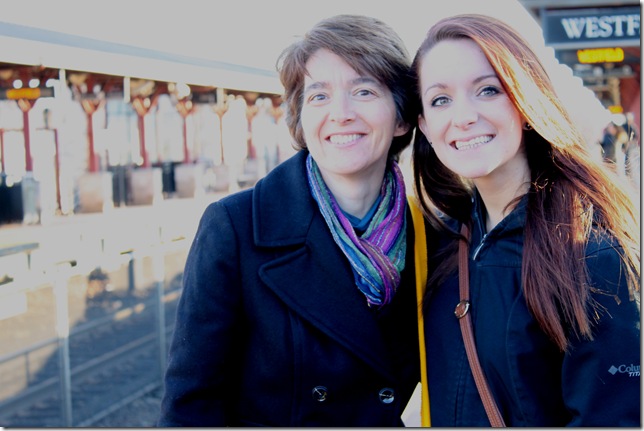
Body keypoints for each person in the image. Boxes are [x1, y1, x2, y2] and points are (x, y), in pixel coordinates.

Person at [157, 14, 422, 427]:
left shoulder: (429, 237)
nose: (340, 113)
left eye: (364, 91)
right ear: (300, 119)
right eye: (319, 96)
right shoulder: (236, 228)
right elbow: (191, 405)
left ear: (402, 118)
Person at [410, 14, 640, 427]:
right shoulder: (438, 246)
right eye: (440, 99)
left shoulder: (593, 255)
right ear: (424, 125)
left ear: (525, 101)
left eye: (488, 90)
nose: (463, 116)